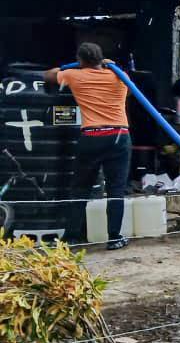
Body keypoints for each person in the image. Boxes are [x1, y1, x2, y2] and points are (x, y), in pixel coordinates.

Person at [44, 43, 132, 250]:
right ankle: (114, 238)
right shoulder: (121, 76)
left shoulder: (74, 75)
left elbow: (47, 75)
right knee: (116, 189)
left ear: (80, 60)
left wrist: (65, 68)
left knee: (80, 189)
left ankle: (72, 238)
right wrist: (111, 67)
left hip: (91, 136)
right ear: (101, 58)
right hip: (119, 136)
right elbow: (128, 93)